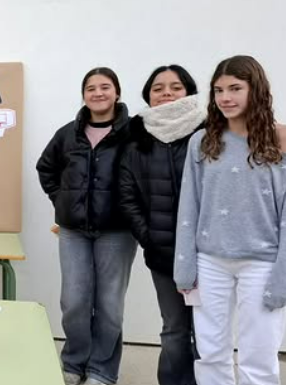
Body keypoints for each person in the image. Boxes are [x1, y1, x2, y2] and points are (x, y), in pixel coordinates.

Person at [174, 55, 286, 385]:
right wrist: (185, 265)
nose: (225, 97)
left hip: (262, 262)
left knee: (259, 353)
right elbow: (189, 206)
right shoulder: (202, 141)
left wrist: (283, 275)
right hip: (210, 261)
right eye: (219, 90)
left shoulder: (280, 141)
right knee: (210, 351)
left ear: (256, 89)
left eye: (235, 88)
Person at [36, 67, 135, 385]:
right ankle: (74, 362)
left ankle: (102, 370)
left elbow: (147, 175)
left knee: (109, 304)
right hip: (73, 231)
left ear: (117, 93)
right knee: (74, 301)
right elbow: (46, 168)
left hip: (117, 231)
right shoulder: (68, 134)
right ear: (83, 95)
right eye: (91, 88)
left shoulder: (135, 133)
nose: (98, 93)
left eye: (105, 87)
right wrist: (62, 201)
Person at [118, 65, 203, 385]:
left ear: (189, 91)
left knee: (209, 330)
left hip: (210, 254)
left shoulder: (209, 132)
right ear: (148, 95)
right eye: (158, 88)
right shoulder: (136, 138)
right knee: (174, 329)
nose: (167, 92)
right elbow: (127, 196)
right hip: (163, 254)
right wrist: (149, 237)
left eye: (176, 87)